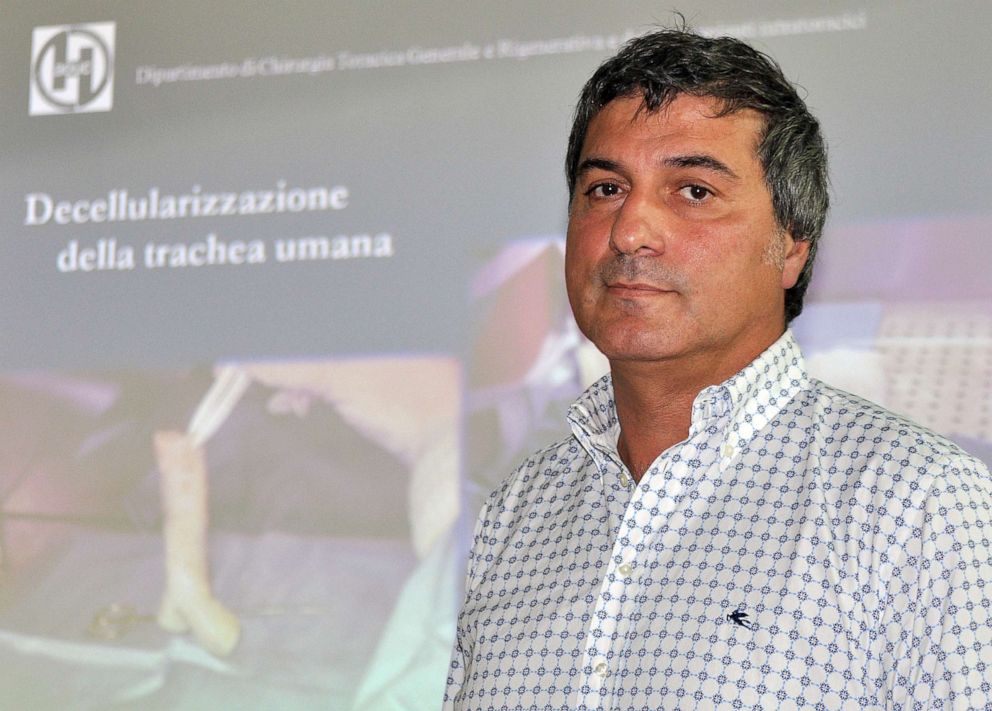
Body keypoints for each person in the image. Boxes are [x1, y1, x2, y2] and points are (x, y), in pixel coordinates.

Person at [444, 27, 992, 710]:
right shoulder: (516, 513)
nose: (630, 229)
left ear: (791, 247)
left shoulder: (917, 504)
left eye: (694, 191)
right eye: (606, 188)